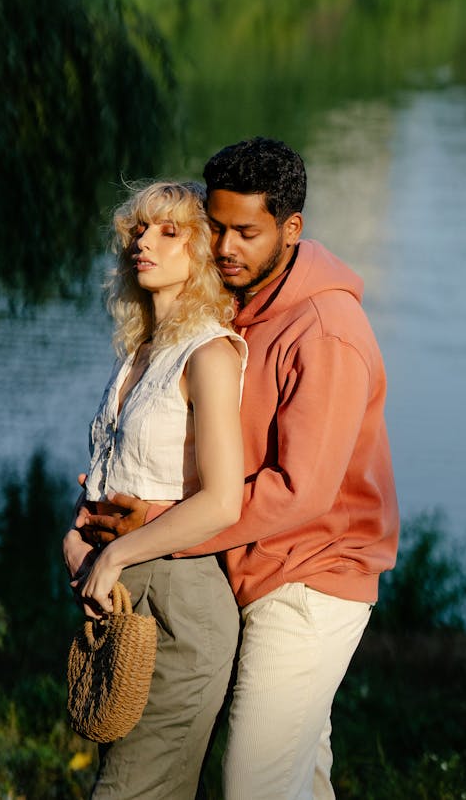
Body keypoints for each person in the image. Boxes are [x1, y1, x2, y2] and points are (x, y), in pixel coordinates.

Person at [79, 137, 400, 800]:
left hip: (312, 577)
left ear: (292, 228)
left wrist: (164, 520)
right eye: (216, 227)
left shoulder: (326, 332)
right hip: (247, 567)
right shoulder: (238, 302)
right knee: (295, 777)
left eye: (246, 233)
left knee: (251, 782)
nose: (225, 248)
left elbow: (301, 492)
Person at [62, 180, 247, 800]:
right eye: (139, 229)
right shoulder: (139, 352)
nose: (145, 241)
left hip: (180, 605)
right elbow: (114, 468)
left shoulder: (210, 354)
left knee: (125, 792)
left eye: (170, 232)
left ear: (201, 253)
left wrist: (112, 554)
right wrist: (76, 535)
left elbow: (223, 501)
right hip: (123, 601)